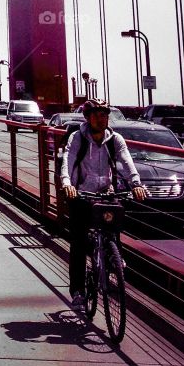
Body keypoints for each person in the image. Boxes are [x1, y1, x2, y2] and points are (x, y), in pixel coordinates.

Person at [60, 99, 149, 310]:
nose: (102, 119)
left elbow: (127, 162)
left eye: (105, 115)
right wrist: (67, 184)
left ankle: (113, 257)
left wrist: (136, 183)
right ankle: (79, 292)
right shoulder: (77, 138)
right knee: (79, 243)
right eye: (98, 115)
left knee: (113, 222)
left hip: (105, 193)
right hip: (81, 193)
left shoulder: (115, 139)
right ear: (88, 118)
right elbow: (67, 161)